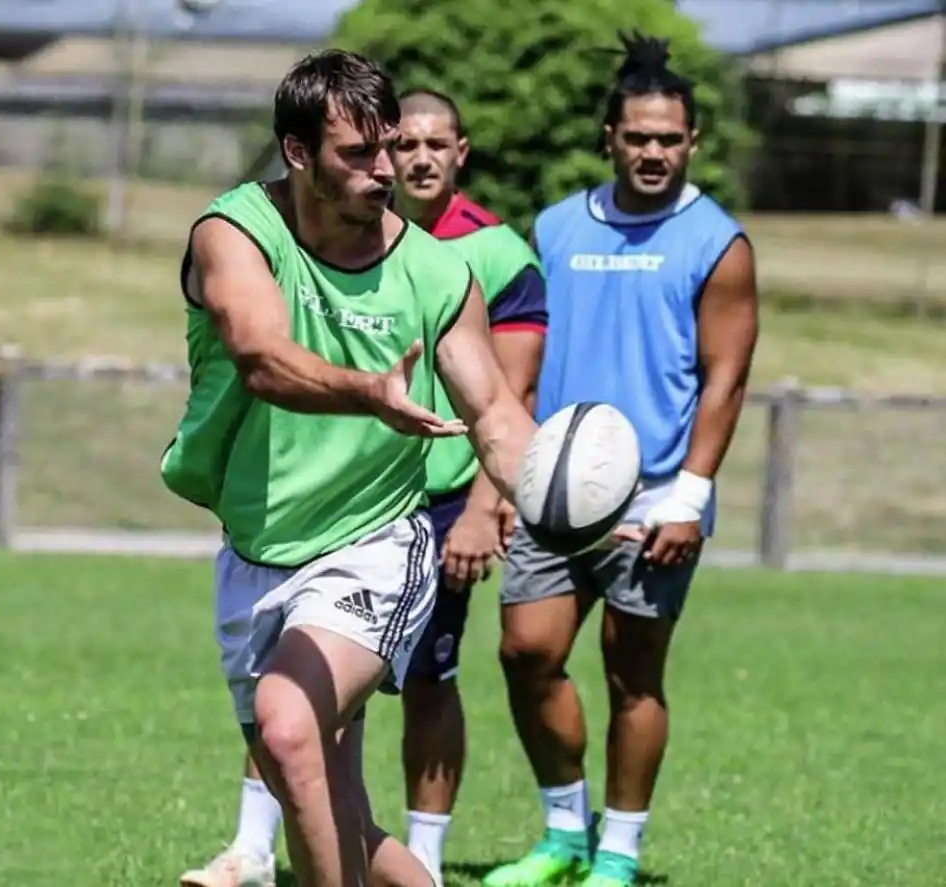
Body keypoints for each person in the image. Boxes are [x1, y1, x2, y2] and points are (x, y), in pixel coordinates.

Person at [162, 49, 538, 887]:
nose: (386, 171)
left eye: (389, 147)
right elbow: (260, 355)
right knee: (328, 801)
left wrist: (562, 492)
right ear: (297, 152)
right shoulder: (236, 233)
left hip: (376, 544)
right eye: (358, 154)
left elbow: (495, 413)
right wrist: (370, 391)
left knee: (287, 722)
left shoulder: (438, 272)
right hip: (256, 549)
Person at [482, 32, 759, 887]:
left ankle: (619, 854)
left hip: (655, 498)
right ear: (610, 137)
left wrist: (690, 495)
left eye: (669, 139)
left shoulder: (718, 242)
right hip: (554, 490)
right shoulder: (557, 228)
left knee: (632, 674)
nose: (653, 152)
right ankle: (565, 835)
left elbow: (726, 378)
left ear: (693, 142)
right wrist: (509, 476)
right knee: (526, 652)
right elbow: (526, 353)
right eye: (637, 137)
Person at [392, 89, 547, 887]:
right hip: (352, 495)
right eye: (405, 143)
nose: (419, 158)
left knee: (429, 677)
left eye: (435, 144)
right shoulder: (348, 234)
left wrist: (485, 507)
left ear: (461, 152)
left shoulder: (498, 252)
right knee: (306, 667)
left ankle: (422, 856)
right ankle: (255, 847)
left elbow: (512, 395)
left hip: (448, 503)